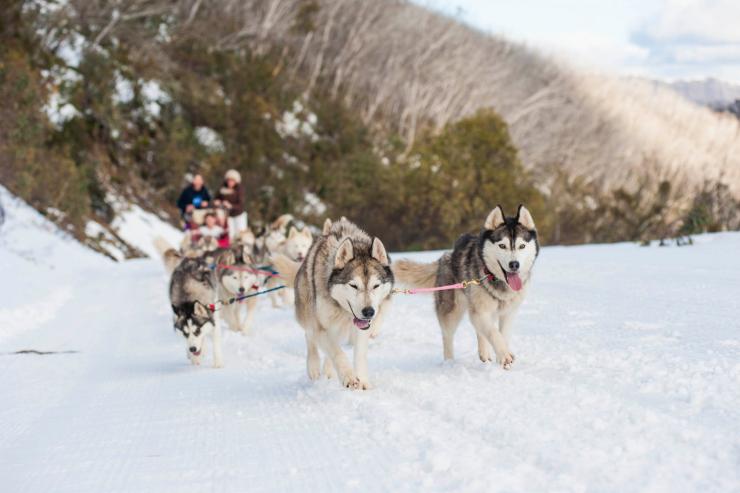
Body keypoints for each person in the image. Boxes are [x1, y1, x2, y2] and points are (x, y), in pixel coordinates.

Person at [214, 169, 247, 241]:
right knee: (231, 235)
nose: (230, 182)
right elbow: (216, 198)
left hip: (239, 215)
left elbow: (241, 205)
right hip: (228, 215)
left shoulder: (239, 190)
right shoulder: (222, 188)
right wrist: (218, 202)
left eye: (232, 180)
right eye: (229, 180)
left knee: (240, 234)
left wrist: (231, 206)